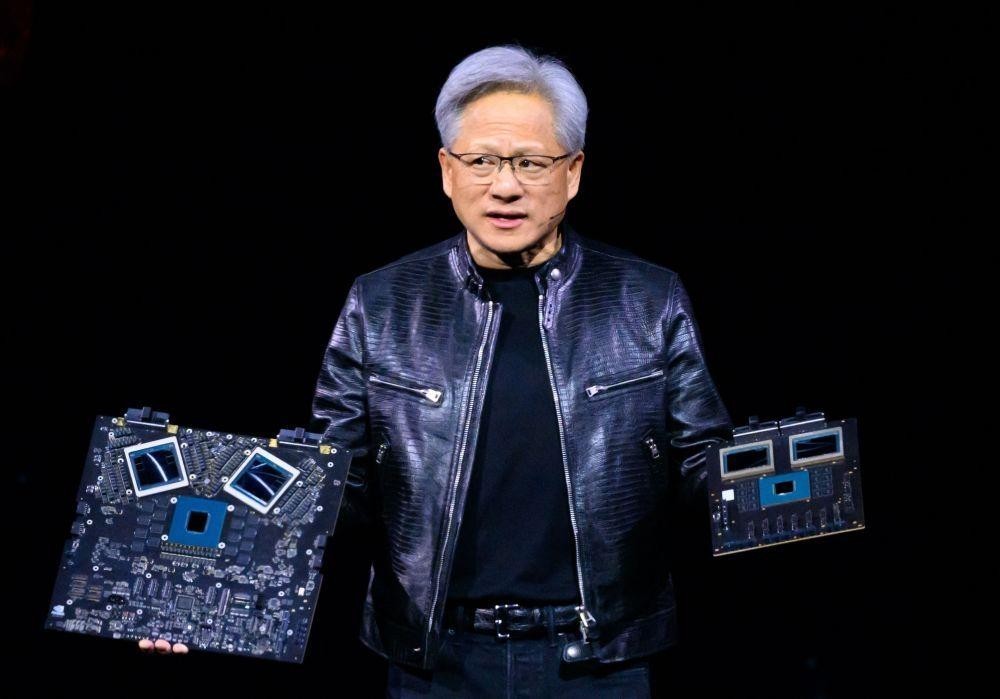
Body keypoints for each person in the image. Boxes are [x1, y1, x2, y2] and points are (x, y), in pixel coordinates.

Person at [141, 44, 734, 699]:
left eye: (530, 163)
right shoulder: (383, 303)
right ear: (447, 171)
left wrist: (792, 487)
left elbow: (702, 465)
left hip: (599, 663)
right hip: (438, 664)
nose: (504, 186)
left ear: (573, 173)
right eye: (481, 161)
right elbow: (337, 485)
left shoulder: (646, 299)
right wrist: (190, 585)